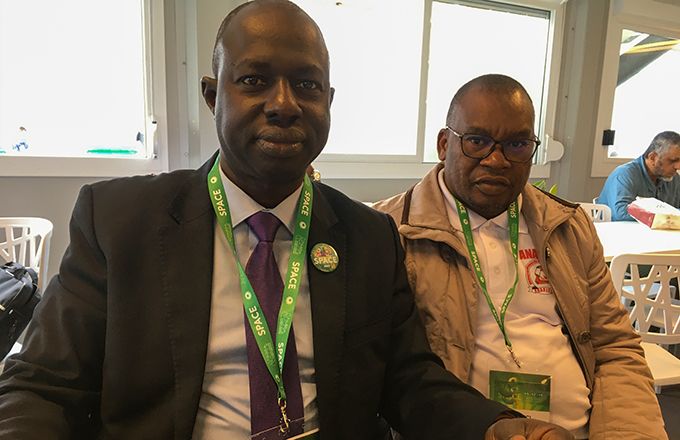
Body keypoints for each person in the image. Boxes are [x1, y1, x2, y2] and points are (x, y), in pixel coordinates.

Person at [0, 3, 574, 439]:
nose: (284, 103)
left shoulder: (369, 238)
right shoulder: (119, 222)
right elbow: (42, 386)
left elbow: (409, 379)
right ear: (211, 95)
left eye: (307, 85)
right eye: (254, 80)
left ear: (329, 101)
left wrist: (503, 427)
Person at [374, 74, 667, 440]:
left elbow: (614, 347)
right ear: (444, 143)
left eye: (516, 144)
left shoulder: (568, 226)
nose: (496, 160)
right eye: (477, 141)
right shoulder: (389, 232)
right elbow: (390, 374)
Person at [597, 131, 680, 221]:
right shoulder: (624, 174)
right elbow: (621, 213)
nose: (678, 166)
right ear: (652, 157)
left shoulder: (673, 178)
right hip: (616, 232)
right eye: (673, 160)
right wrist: (664, 217)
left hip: (658, 234)